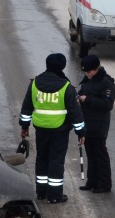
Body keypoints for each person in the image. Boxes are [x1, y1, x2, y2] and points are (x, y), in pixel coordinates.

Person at [19, 53, 85, 204]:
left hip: (41, 128)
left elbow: (26, 107)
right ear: (62, 66)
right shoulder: (67, 87)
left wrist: (24, 127)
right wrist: (81, 132)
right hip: (59, 130)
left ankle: (41, 192)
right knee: (56, 160)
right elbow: (76, 113)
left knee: (42, 158)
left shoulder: (35, 83)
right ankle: (54, 195)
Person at [77, 55, 115, 193]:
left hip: (99, 124)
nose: (88, 74)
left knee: (100, 153)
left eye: (90, 72)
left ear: (96, 68)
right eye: (86, 72)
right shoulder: (87, 80)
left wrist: (87, 99)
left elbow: (107, 104)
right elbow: (82, 93)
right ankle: (92, 181)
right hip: (87, 122)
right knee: (90, 153)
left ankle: (104, 184)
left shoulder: (106, 82)